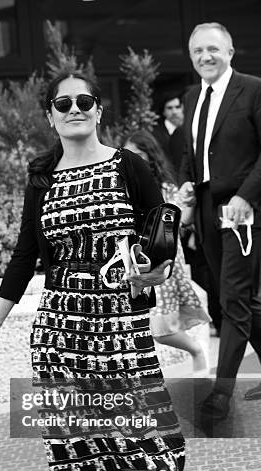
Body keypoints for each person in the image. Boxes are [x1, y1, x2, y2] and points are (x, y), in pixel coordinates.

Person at [0, 70, 185, 471]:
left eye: (84, 100)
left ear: (97, 110)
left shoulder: (130, 166)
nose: (75, 108)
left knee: (124, 422)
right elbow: (25, 254)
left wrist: (156, 270)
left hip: (118, 314)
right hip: (59, 316)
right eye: (63, 102)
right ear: (49, 114)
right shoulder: (41, 178)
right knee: (67, 435)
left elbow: (162, 240)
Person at [179, 22, 261, 422]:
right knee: (241, 298)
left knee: (232, 299)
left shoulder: (253, 88)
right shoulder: (193, 96)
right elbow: (191, 152)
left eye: (212, 49)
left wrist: (247, 197)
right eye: (197, 51)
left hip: (243, 208)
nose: (204, 57)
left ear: (230, 51)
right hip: (209, 208)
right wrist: (186, 186)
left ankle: (220, 395)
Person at [125, 129, 210, 373]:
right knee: (145, 328)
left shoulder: (165, 188)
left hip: (164, 261)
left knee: (160, 329)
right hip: (135, 262)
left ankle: (196, 351)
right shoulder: (123, 189)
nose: (132, 160)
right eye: (128, 155)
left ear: (150, 157)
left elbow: (184, 220)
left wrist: (191, 201)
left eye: (138, 154)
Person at [153, 92, 184, 170]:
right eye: (169, 108)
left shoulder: (189, 128)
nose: (174, 112)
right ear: (163, 112)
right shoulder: (156, 134)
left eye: (177, 107)